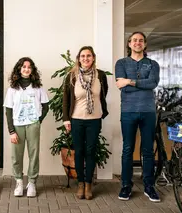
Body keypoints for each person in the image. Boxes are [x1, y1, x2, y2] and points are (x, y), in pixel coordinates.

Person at [115, 31, 160, 202]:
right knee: (128, 149)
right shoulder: (121, 63)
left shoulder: (153, 64)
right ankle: (126, 186)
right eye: (134, 40)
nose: (137, 43)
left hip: (148, 112)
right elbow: (122, 86)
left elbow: (153, 83)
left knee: (148, 151)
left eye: (141, 40)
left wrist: (130, 81)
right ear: (129, 44)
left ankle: (149, 186)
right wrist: (134, 84)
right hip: (128, 111)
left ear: (145, 44)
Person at [62, 46, 108, 200]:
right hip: (76, 119)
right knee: (79, 151)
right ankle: (81, 183)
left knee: (90, 151)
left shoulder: (100, 75)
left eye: (88, 56)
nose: (85, 58)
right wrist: (66, 119)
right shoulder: (72, 76)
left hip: (94, 120)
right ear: (78, 58)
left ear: (93, 58)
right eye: (83, 56)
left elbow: (103, 93)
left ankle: (88, 183)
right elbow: (66, 99)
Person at [3, 57, 49, 197]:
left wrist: (38, 121)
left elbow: (46, 106)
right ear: (19, 69)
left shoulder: (38, 88)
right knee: (16, 155)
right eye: (23, 67)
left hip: (33, 125)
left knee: (33, 154)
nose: (26, 69)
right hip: (17, 126)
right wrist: (11, 131)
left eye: (29, 67)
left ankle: (32, 182)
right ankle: (18, 181)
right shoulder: (12, 89)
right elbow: (8, 110)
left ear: (32, 70)